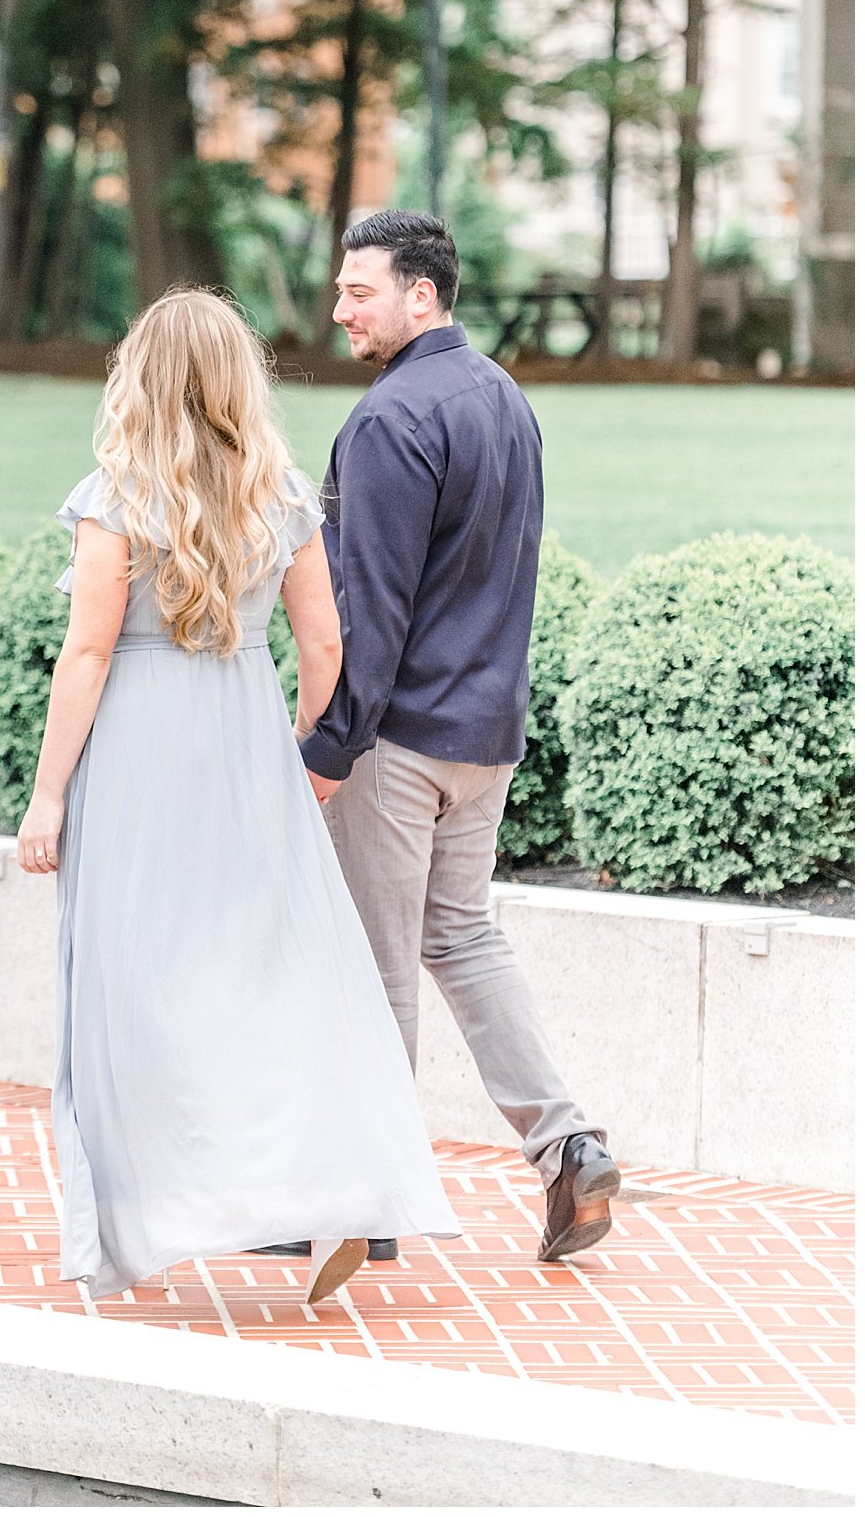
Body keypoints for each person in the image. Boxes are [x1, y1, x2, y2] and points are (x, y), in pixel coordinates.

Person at [16, 288, 459, 1306]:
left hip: (136, 748)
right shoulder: (283, 493)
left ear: (142, 374)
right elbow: (325, 643)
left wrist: (47, 796)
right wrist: (300, 750)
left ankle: (139, 1226)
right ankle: (338, 1182)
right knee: (277, 972)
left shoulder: (115, 495)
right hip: (246, 740)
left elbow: (85, 652)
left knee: (131, 986)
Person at [298, 210, 621, 1264]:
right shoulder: (506, 399)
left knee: (376, 962)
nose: (341, 308)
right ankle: (567, 1143)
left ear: (421, 295)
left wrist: (326, 748)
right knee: (464, 938)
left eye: (360, 291)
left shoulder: (387, 420)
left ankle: (365, 1200)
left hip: (397, 739)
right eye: (342, 290)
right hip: (486, 733)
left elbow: (367, 608)